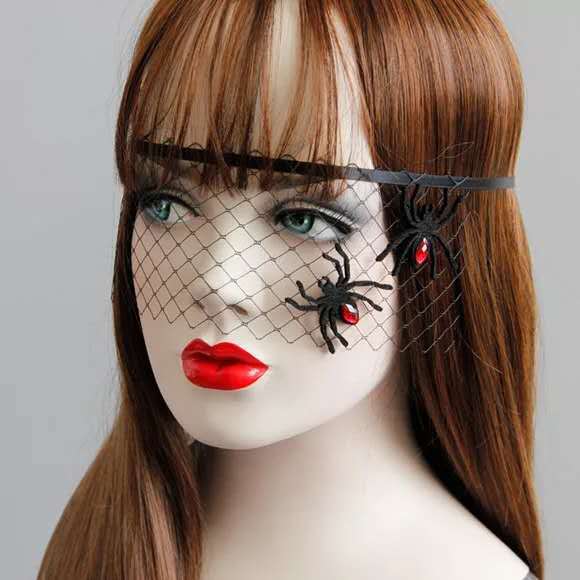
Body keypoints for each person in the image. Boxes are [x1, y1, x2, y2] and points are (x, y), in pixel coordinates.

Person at [38, 1, 543, 579]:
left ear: (436, 241)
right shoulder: (107, 541)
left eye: (304, 219)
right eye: (167, 204)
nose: (218, 283)